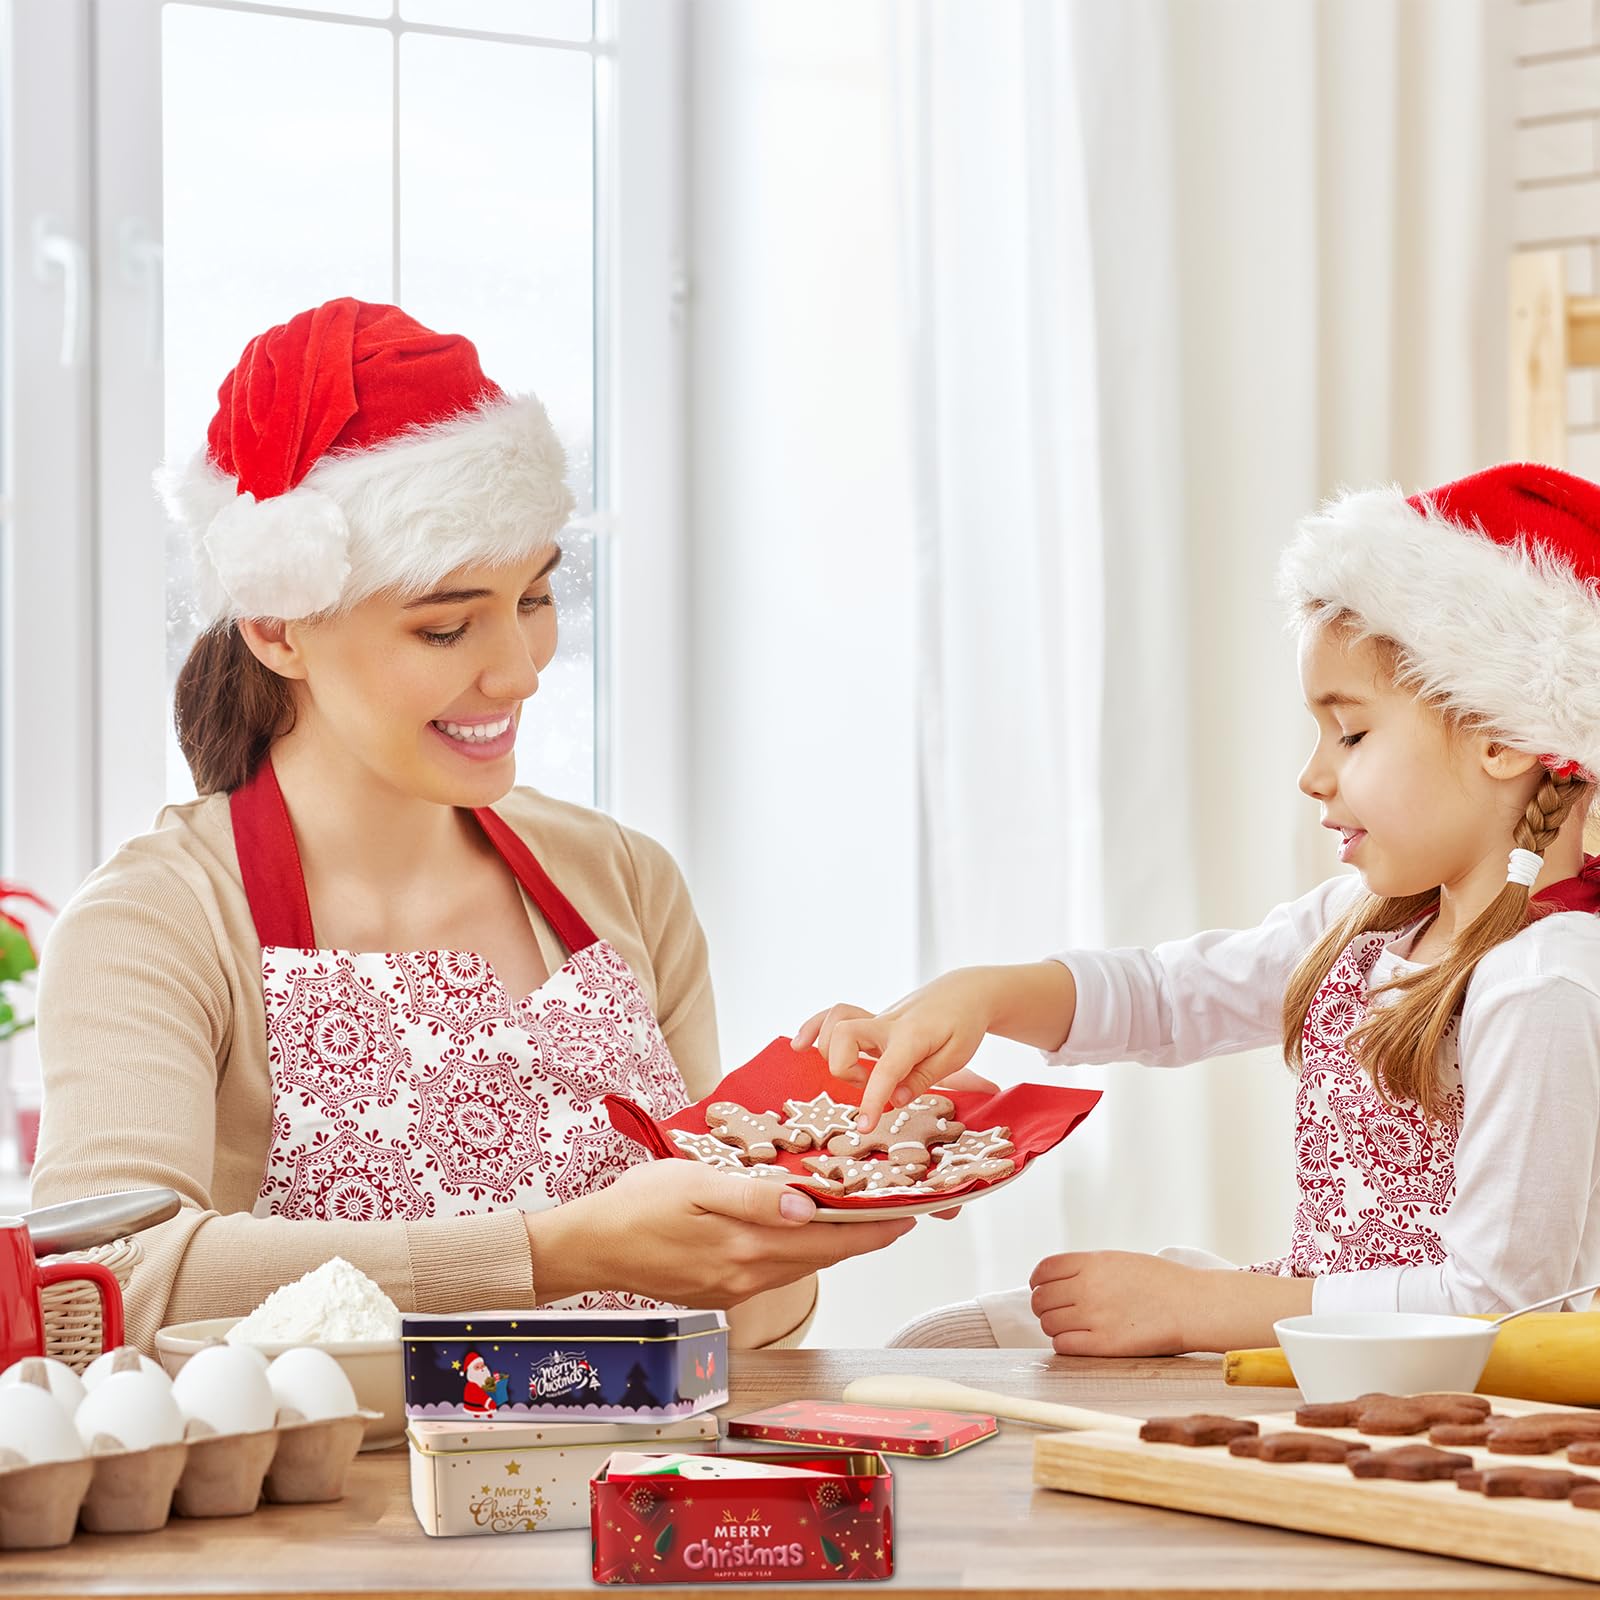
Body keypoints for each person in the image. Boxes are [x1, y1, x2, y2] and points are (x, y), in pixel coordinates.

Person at [31, 297, 912, 1349]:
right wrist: (556, 1253)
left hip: (656, 1457)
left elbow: (735, 1327)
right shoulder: (157, 925)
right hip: (339, 1465)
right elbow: (100, 1286)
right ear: (275, 628)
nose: (520, 671)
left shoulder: (621, 878)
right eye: (447, 627)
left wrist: (808, 1172)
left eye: (533, 599)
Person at [797, 464, 1600, 1353]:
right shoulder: (1370, 921)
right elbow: (1167, 995)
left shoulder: (1544, 983)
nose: (1312, 774)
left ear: (1504, 739)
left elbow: (1500, 1304)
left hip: (1431, 1390)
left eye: (1352, 732)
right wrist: (983, 997)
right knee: (944, 1342)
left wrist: (1198, 1307)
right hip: (1318, 1346)